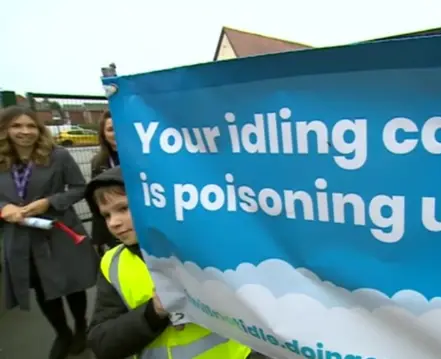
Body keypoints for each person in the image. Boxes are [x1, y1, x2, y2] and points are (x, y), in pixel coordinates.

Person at [85, 166, 267, 359]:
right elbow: (102, 343)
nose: (114, 222)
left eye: (123, 208)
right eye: (106, 215)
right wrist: (153, 312)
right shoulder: (113, 263)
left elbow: (261, 312)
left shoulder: (206, 248)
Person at [0, 106, 98, 359]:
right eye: (17, 126)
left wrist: (50, 202)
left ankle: (80, 328)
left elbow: (78, 187)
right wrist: (4, 208)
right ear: (5, 130)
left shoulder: (59, 156)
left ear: (39, 129)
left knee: (72, 283)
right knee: (42, 288)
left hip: (58, 230)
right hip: (22, 236)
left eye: (31, 126)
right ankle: (62, 333)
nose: (25, 132)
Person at [90, 110, 119, 255]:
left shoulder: (144, 157)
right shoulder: (98, 162)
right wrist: (98, 238)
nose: (117, 132)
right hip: (117, 225)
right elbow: (98, 202)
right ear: (103, 134)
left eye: (121, 126)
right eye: (111, 129)